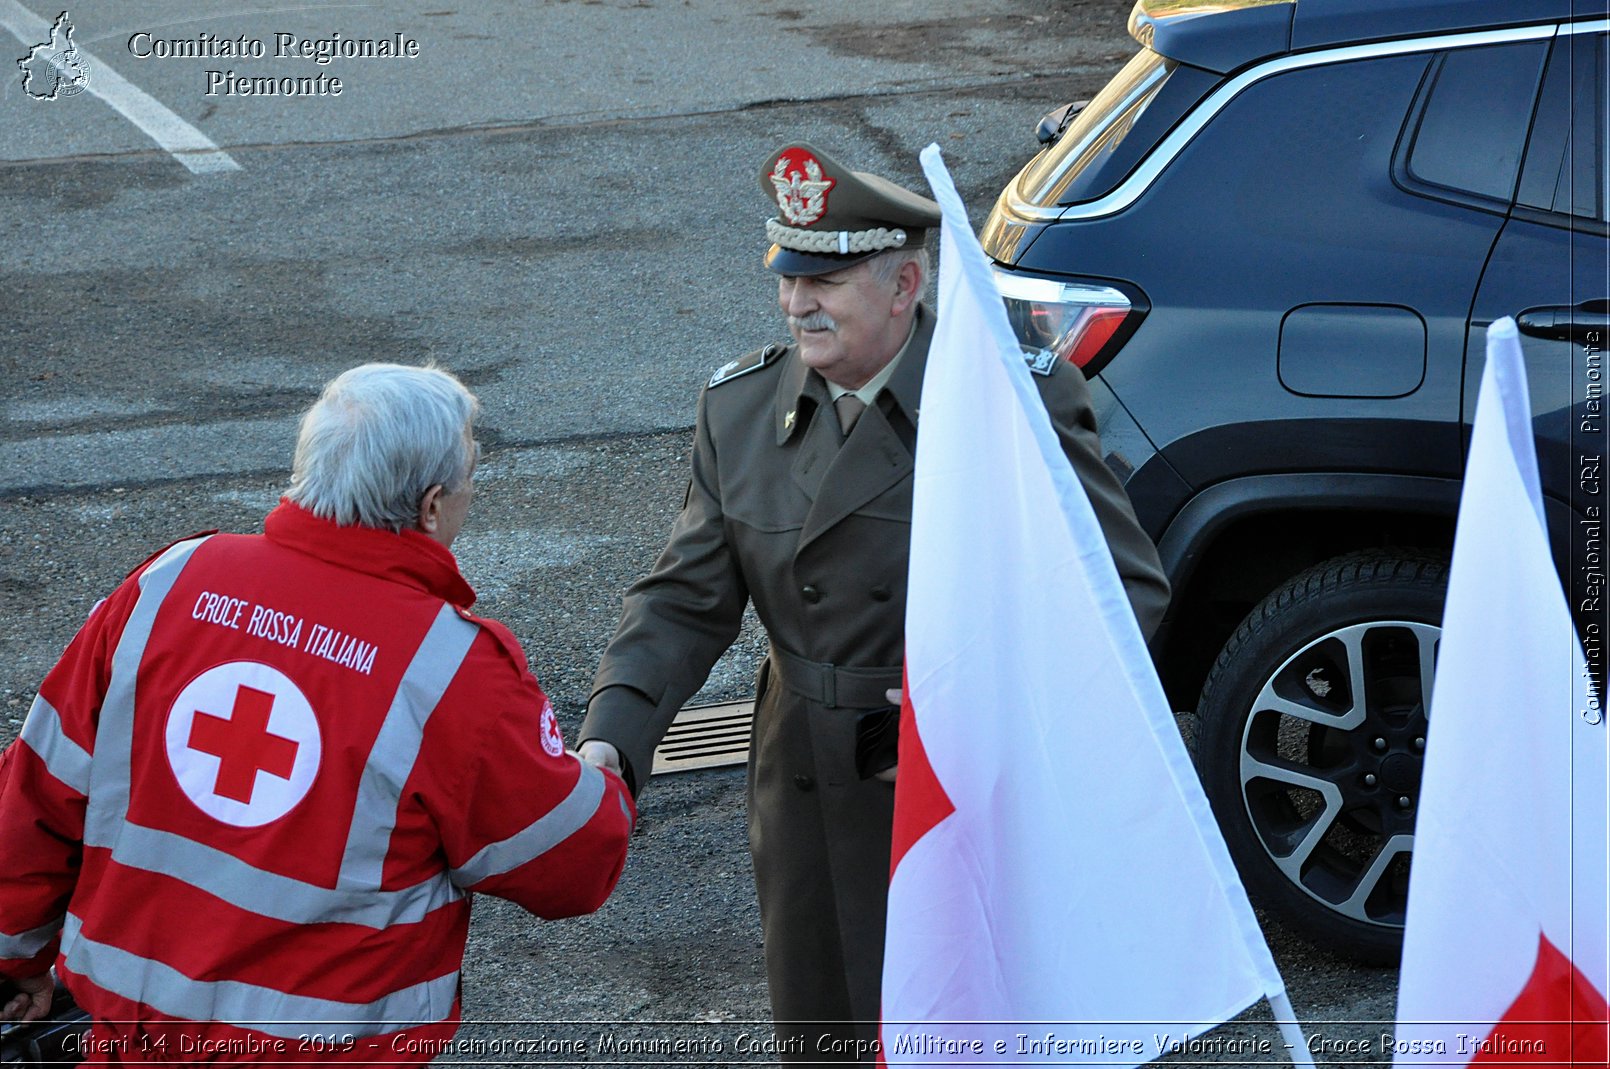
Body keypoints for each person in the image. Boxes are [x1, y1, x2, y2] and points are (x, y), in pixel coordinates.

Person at [577, 142, 1170, 1063]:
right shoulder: (740, 411)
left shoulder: (1008, 397)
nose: (795, 301)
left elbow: (1123, 589)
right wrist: (613, 734)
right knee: (826, 1028)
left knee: (959, 1026)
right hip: (804, 782)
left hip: (956, 783)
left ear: (904, 285)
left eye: (827, 278)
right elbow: (684, 598)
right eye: (788, 276)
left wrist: (996, 698)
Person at [0, 364, 634, 1063]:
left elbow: (35, 791)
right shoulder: (451, 669)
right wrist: (604, 769)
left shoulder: (167, 582)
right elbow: (569, 866)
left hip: (132, 1042)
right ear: (429, 506)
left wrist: (16, 950)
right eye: (468, 481)